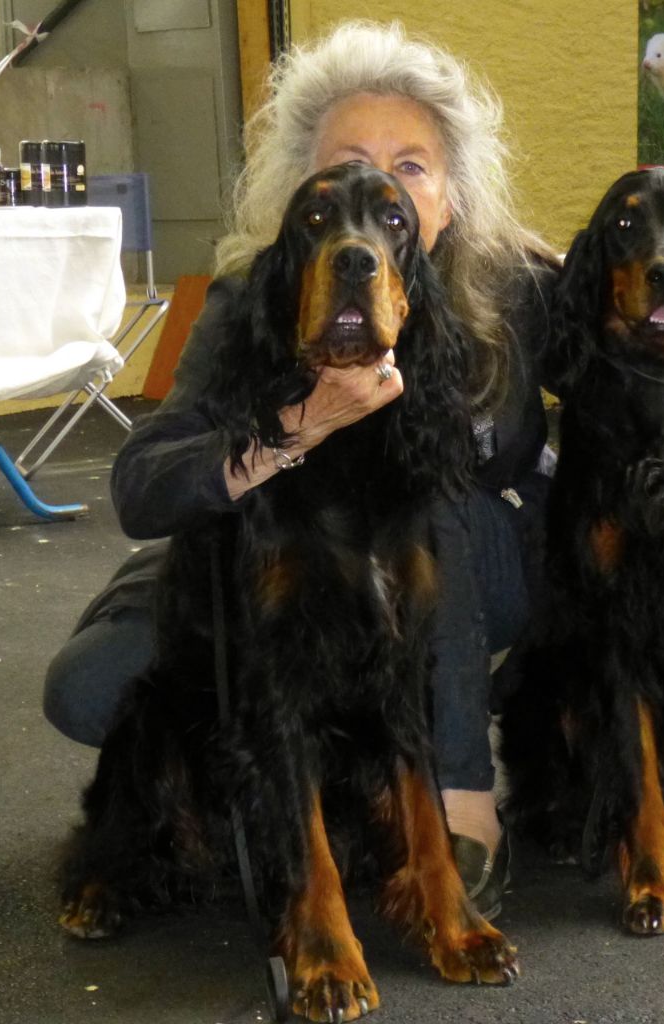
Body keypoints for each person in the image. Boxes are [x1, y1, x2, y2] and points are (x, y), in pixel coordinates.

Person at [44, 20, 559, 920]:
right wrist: (296, 428)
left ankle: (460, 800)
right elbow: (142, 485)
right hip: (274, 550)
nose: (369, 216)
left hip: (455, 568)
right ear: (299, 201)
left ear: (449, 200)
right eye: (346, 170)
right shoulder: (250, 304)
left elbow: (644, 363)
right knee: (93, 688)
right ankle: (280, 803)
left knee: (435, 509)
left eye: (410, 170)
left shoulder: (513, 288)